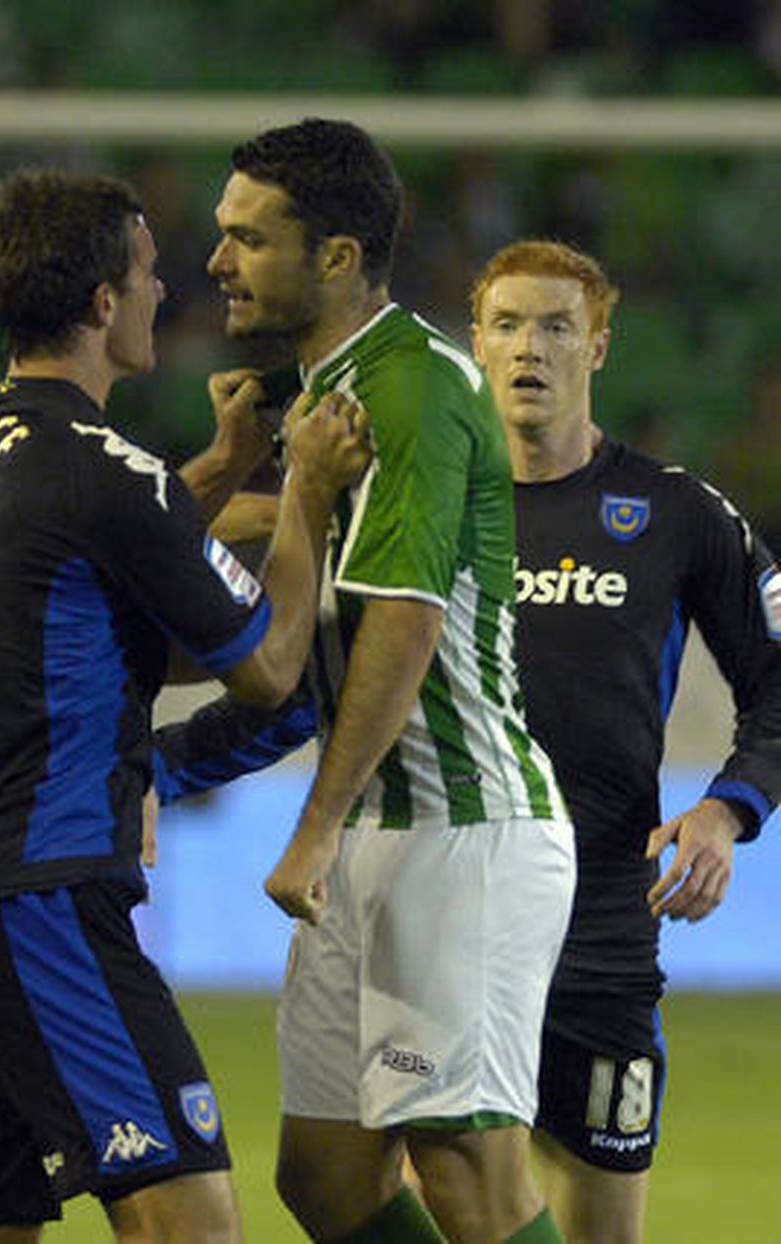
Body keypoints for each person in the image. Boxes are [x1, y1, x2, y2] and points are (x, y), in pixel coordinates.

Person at [0, 167, 371, 1242]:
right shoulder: (106, 467)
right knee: (192, 1225)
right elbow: (267, 665)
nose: (166, 290)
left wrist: (222, 464)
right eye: (150, 273)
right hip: (43, 891)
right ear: (104, 302)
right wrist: (302, 490)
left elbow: (99, 603)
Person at [208, 119, 575, 1244]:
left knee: (467, 1172)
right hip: (375, 830)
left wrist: (310, 828)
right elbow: (293, 545)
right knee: (323, 1177)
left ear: (336, 255)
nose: (216, 262)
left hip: (459, 829)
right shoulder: (321, 395)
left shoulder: (407, 386)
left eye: (248, 239)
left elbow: (406, 625)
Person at [470, 240, 781, 1244]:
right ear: (475, 343)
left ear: (597, 346)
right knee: (432, 1190)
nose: (531, 347)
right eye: (508, 323)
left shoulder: (673, 511)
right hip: (452, 910)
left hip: (603, 917)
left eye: (556, 325)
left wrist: (726, 807)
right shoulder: (427, 509)